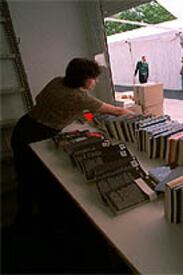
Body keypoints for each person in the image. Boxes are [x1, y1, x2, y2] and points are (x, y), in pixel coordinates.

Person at [11, 57, 133, 225]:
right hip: (36, 136)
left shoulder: (57, 81)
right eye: (94, 78)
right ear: (84, 79)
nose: (96, 81)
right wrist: (140, 117)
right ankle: (35, 223)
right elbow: (117, 112)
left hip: (23, 127)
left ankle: (27, 218)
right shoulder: (81, 98)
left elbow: (45, 101)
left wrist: (90, 118)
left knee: (25, 178)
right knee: (37, 181)